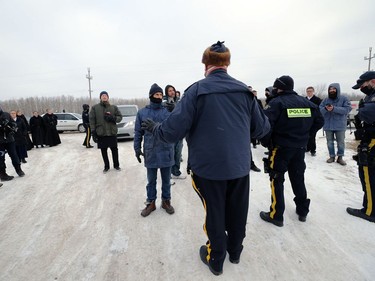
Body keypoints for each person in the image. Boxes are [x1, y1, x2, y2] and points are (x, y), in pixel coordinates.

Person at [141, 41, 270, 275]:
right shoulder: (244, 92)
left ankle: (216, 259)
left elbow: (171, 132)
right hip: (239, 167)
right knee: (238, 211)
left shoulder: (196, 91)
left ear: (205, 64)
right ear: (227, 64)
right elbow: (262, 129)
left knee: (215, 213)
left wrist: (155, 129)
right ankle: (235, 251)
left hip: (209, 169)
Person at [260, 75, 324, 227]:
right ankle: (302, 211)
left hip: (280, 148)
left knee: (276, 179)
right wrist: (306, 136)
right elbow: (320, 121)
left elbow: (266, 126)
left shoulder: (276, 103)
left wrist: (267, 142)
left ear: (279, 88)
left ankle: (276, 215)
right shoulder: (306, 102)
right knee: (298, 178)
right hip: (299, 148)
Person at [134, 83, 175, 217]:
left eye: (160, 94)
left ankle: (166, 201)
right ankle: (151, 202)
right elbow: (138, 132)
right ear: (151, 95)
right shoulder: (142, 112)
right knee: (151, 180)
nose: (159, 96)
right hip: (150, 150)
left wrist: (175, 110)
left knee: (166, 180)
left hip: (166, 149)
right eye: (156, 94)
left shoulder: (167, 110)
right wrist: (137, 148)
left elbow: (177, 125)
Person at [347, 71, 375, 223]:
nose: (362, 89)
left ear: (372, 81)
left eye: (363, 85)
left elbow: (367, 114)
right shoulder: (369, 96)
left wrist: (361, 111)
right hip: (370, 137)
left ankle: (370, 210)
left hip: (372, 141)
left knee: (369, 175)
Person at [89, 91, 122, 173]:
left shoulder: (113, 107)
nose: (104, 97)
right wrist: (93, 132)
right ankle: (106, 166)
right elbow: (92, 120)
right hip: (101, 133)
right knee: (103, 151)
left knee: (114, 150)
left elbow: (120, 117)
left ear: (108, 97)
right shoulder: (95, 108)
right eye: (102, 95)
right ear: (100, 97)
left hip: (112, 132)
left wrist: (113, 118)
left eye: (105, 95)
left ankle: (116, 165)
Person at [319, 83, 351, 165]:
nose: (332, 90)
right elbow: (319, 111)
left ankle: (340, 157)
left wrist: (334, 108)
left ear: (337, 89)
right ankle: (332, 156)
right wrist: (326, 109)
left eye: (333, 89)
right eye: (330, 89)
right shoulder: (325, 100)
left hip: (340, 125)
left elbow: (347, 110)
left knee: (340, 142)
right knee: (329, 142)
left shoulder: (344, 98)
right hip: (328, 125)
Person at [164, 84, 186, 179]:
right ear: (166, 93)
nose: (172, 92)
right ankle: (168, 175)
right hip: (169, 132)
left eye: (173, 90)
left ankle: (176, 172)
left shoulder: (180, 102)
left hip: (179, 131)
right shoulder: (164, 103)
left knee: (178, 153)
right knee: (170, 154)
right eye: (169, 90)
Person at [0, 106, 25, 181]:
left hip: (10, 140)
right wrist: (1, 126)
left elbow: (13, 123)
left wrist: (13, 126)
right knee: (1, 158)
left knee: (14, 155)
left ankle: (19, 170)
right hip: (0, 142)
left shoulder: (6, 114)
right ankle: (3, 174)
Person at [305, 86, 322, 156]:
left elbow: (319, 109)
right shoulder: (304, 99)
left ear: (313, 92)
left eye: (310, 91)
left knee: (312, 135)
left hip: (314, 120)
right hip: (305, 120)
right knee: (306, 135)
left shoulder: (318, 100)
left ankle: (313, 150)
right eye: (308, 91)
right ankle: (307, 147)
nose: (309, 92)